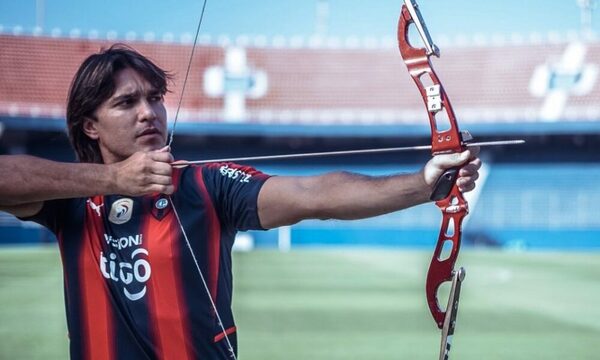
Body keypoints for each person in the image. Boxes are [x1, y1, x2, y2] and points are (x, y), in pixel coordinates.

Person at [0, 44, 481, 359]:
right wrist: (112, 179)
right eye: (126, 103)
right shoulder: (70, 199)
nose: (149, 112)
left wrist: (424, 183)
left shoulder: (207, 185)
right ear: (90, 125)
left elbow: (315, 195)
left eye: (154, 98)